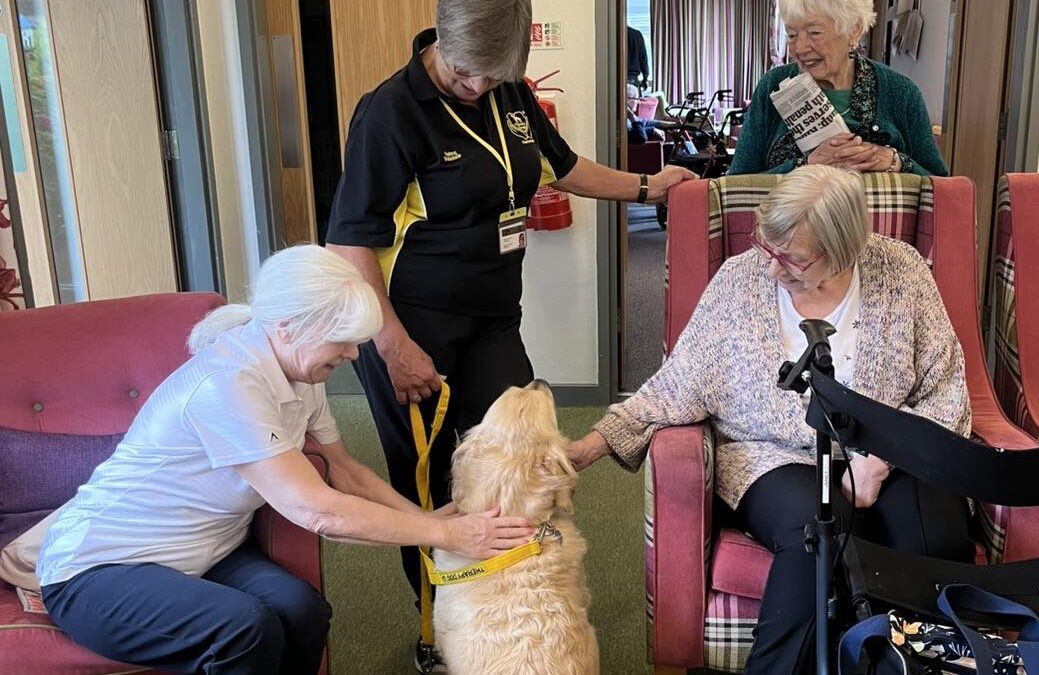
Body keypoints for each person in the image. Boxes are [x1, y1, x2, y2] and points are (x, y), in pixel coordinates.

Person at [324, 0, 695, 632]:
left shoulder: (509, 95)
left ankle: (510, 607)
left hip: (494, 317)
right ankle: (437, 627)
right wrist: (392, 346)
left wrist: (647, 186)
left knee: (516, 463)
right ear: (441, 39)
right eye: (468, 73)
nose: (479, 86)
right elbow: (347, 242)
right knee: (431, 483)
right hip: (413, 328)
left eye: (493, 75)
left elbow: (565, 166)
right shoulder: (390, 113)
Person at [35, 245, 535, 675]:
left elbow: (346, 473)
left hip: (203, 554)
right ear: (290, 328)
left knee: (303, 611)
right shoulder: (228, 385)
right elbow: (320, 510)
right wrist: (447, 535)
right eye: (342, 340)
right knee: (242, 631)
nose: (354, 356)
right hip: (98, 571)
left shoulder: (300, 373)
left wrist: (423, 519)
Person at [569, 166, 973, 674]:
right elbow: (680, 382)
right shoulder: (740, 280)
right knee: (819, 532)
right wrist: (592, 444)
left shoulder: (903, 272)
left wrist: (883, 457)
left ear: (846, 248)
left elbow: (946, 388)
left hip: (890, 447)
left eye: (795, 258)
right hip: (771, 455)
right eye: (769, 246)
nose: (775, 267)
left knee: (934, 535)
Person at [729, 0, 947, 176]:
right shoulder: (772, 86)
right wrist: (806, 165)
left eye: (814, 32)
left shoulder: (901, 92)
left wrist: (895, 161)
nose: (800, 48)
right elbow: (737, 186)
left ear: (854, 30)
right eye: (792, 34)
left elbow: (941, 187)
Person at [627, 25, 649, 91]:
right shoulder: (637, 34)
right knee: (635, 100)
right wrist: (645, 78)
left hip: (615, 78)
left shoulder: (612, 34)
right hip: (633, 79)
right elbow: (643, 58)